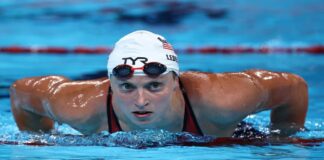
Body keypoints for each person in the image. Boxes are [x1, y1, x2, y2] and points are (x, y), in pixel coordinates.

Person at [10, 30, 308, 137]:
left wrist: (283, 139)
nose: (141, 100)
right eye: (127, 87)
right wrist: (40, 140)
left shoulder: (221, 99)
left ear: (176, 82)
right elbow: (21, 92)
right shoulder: (79, 106)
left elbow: (294, 87)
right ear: (111, 84)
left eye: (154, 86)